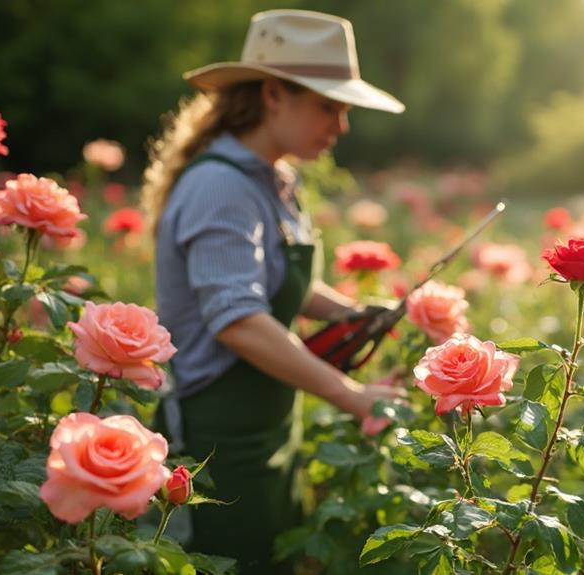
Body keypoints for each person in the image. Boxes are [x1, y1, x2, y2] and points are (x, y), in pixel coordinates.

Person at [141, 10, 405, 573]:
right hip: (219, 439)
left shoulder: (273, 177)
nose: (342, 125)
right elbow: (237, 319)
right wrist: (350, 394)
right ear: (273, 95)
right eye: (328, 106)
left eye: (345, 108)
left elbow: (282, 282)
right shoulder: (220, 187)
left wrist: (353, 312)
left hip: (269, 422)